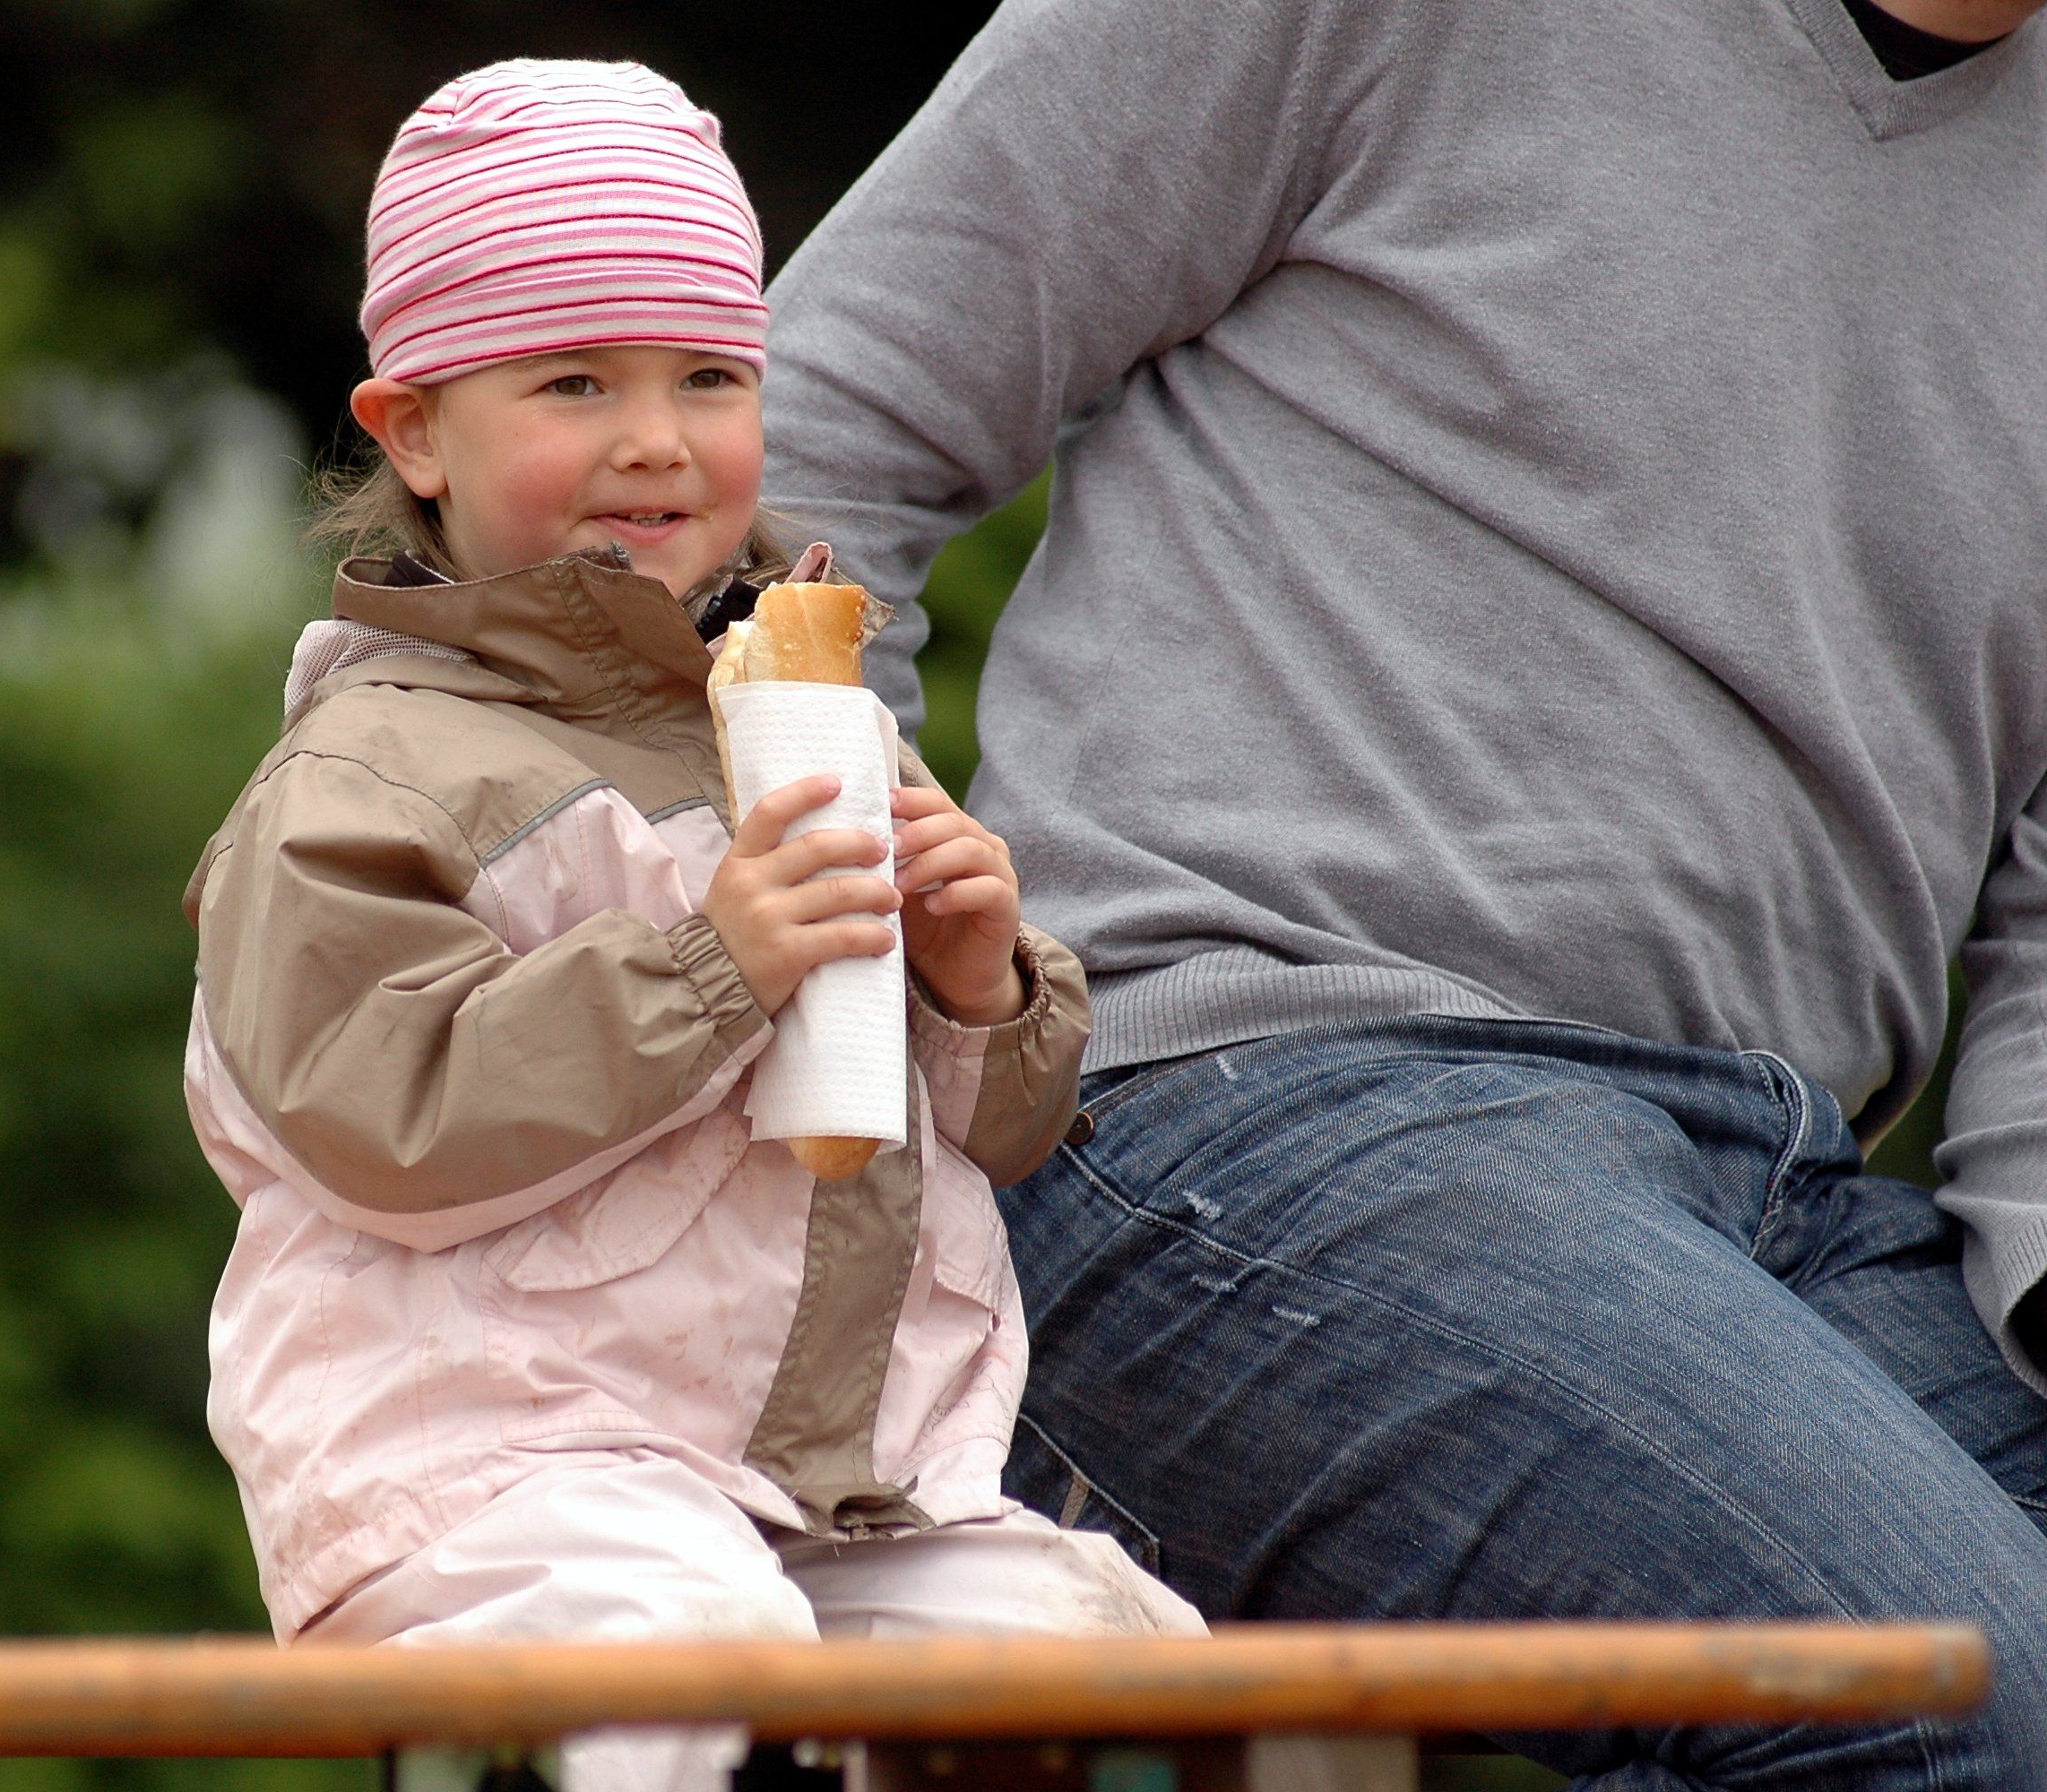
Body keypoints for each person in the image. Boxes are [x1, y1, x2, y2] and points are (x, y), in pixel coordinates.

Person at [759, 0, 2047, 1783]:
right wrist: (912, 1038)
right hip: (1240, 1096)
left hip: (1784, 1200)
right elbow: (803, 448)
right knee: (1955, 1709)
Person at [179, 59, 1202, 1792]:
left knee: (1103, 1652)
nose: (657, 437)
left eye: (708, 377)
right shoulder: (367, 775)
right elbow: (384, 1120)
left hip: (833, 1479)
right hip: (500, 1474)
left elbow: (986, 1138)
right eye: (575, 379)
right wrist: (719, 960)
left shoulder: (814, 727)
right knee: (690, 1647)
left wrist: (978, 987)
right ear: (415, 430)